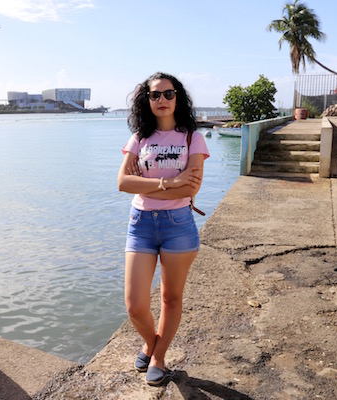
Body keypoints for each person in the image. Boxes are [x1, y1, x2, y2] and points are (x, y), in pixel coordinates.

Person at [117, 72, 209, 385]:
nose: (162, 100)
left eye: (168, 94)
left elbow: (190, 188)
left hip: (178, 225)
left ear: (177, 97)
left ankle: (157, 356)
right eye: (155, 95)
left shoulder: (192, 138)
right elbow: (123, 183)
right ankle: (151, 342)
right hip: (141, 224)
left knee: (170, 297)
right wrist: (168, 182)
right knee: (135, 305)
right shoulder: (139, 138)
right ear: (147, 100)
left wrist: (146, 184)